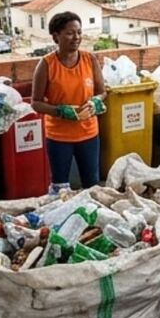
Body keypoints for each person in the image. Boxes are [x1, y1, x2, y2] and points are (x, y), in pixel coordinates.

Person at [32, 12, 107, 193]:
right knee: (60, 187)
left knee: (92, 185)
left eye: (79, 32)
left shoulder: (90, 59)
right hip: (59, 137)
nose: (77, 38)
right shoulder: (46, 64)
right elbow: (36, 102)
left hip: (88, 133)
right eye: (70, 33)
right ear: (56, 36)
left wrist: (95, 102)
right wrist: (61, 111)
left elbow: (102, 92)